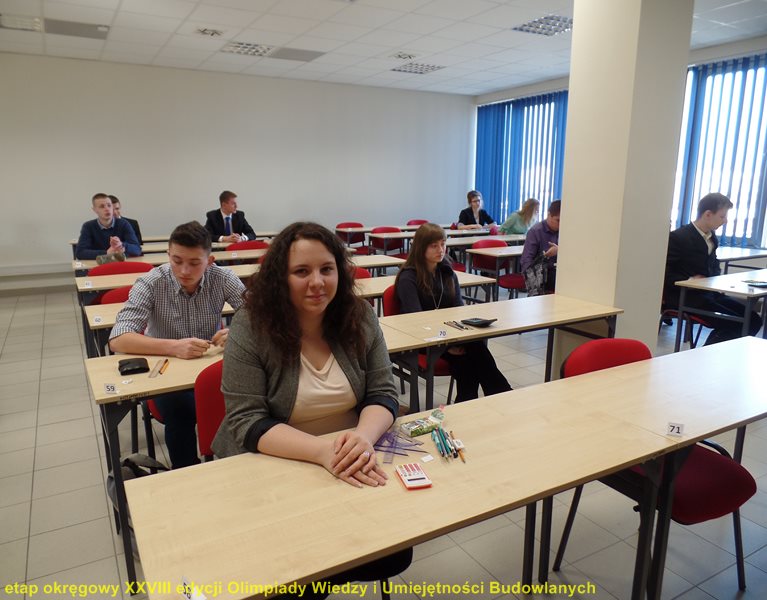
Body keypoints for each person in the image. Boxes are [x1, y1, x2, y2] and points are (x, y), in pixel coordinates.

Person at [212, 222, 410, 598]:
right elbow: (246, 420)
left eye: (326, 269)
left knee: (391, 555)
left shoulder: (359, 316)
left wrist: (362, 439)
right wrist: (323, 453)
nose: (317, 282)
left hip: (351, 455)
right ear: (280, 278)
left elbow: (384, 393)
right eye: (301, 271)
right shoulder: (251, 326)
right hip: (277, 463)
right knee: (298, 571)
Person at [109, 221, 245, 468]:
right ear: (168, 255)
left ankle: (236, 468)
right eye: (177, 261)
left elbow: (260, 316)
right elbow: (118, 338)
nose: (184, 271)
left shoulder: (223, 277)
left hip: (210, 366)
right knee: (181, 410)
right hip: (166, 371)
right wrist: (173, 347)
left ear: (210, 261)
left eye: (194, 263)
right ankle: (188, 472)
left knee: (245, 400)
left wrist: (237, 331)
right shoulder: (151, 282)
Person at [394, 223, 512, 403]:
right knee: (472, 355)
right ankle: (501, 396)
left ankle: (471, 401)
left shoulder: (447, 273)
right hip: (420, 339)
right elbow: (416, 321)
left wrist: (456, 338)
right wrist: (447, 346)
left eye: (443, 244)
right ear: (420, 248)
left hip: (448, 335)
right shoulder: (408, 277)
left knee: (473, 350)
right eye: (434, 246)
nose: (440, 250)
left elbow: (459, 310)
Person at [664, 192, 762, 345]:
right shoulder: (679, 237)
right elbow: (664, 273)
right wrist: (689, 280)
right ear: (708, 214)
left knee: (754, 319)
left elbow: (714, 265)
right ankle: (706, 355)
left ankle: (724, 353)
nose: (725, 221)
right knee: (735, 323)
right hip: (687, 296)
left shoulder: (711, 238)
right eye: (722, 216)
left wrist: (717, 280)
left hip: (709, 294)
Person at [75, 193, 141, 260]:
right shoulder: (88, 226)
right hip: (99, 264)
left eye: (109, 205)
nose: (107, 209)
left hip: (121, 263)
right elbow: (80, 253)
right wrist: (107, 252)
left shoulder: (124, 224)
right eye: (102, 206)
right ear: (94, 210)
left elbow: (137, 249)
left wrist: (121, 245)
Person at [520, 200, 560, 294]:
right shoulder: (535, 232)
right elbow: (526, 261)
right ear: (549, 215)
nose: (561, 224)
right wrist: (545, 256)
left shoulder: (566, 230)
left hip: (561, 273)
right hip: (543, 274)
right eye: (558, 220)